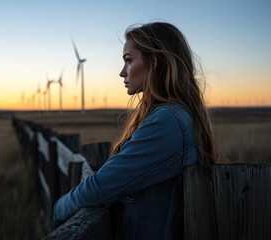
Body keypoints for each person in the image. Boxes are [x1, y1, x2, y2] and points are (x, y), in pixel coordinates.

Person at [53, 22, 216, 239]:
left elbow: (100, 186)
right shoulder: (174, 116)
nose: (122, 72)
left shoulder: (167, 122)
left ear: (155, 62)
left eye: (129, 61)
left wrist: (58, 209)